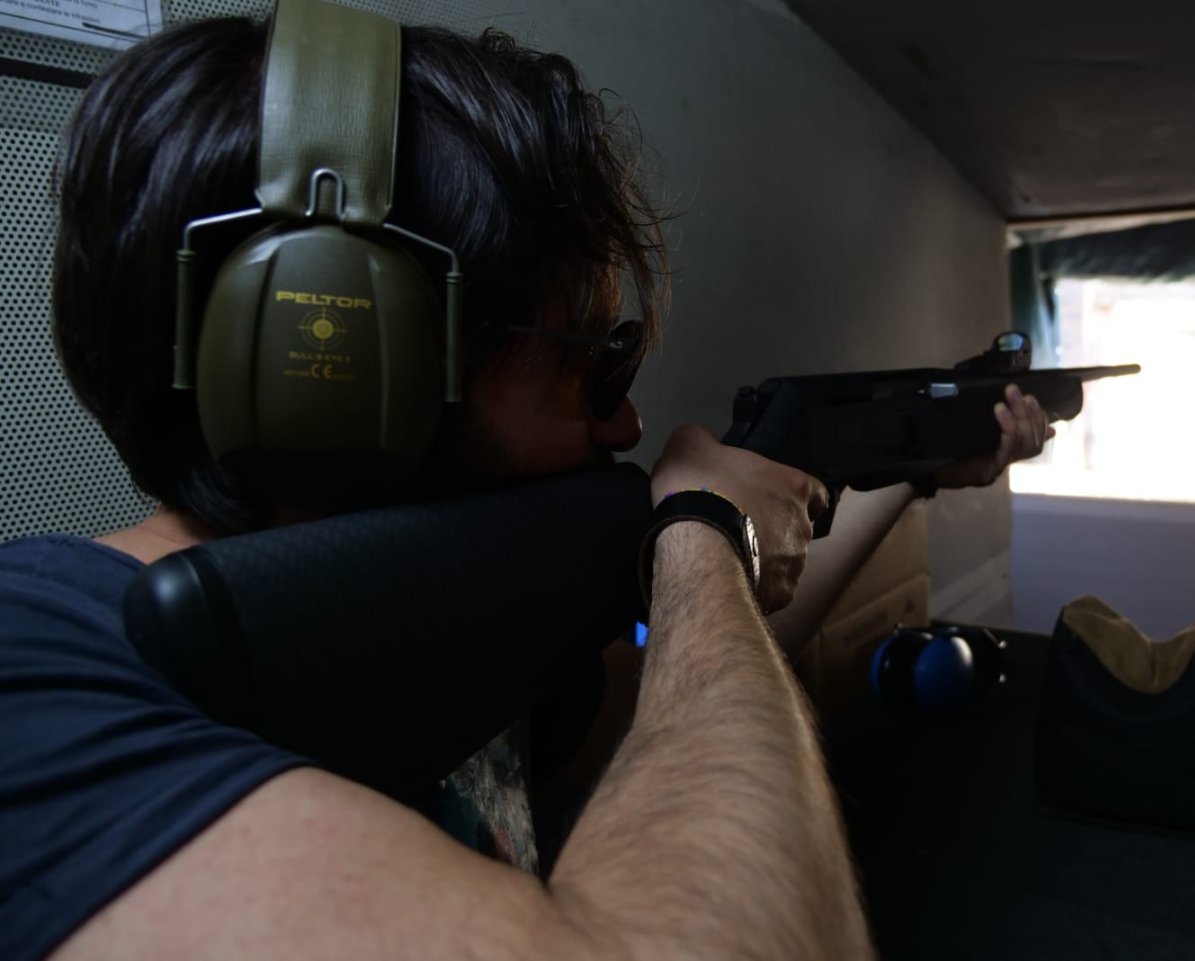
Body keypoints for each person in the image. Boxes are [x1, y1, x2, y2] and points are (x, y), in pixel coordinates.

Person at [0, 8, 1053, 961]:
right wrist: (693, 532)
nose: (628, 421)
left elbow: (684, 696)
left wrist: (912, 475)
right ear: (343, 374)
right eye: (594, 365)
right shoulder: (29, 679)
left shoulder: (416, 629)